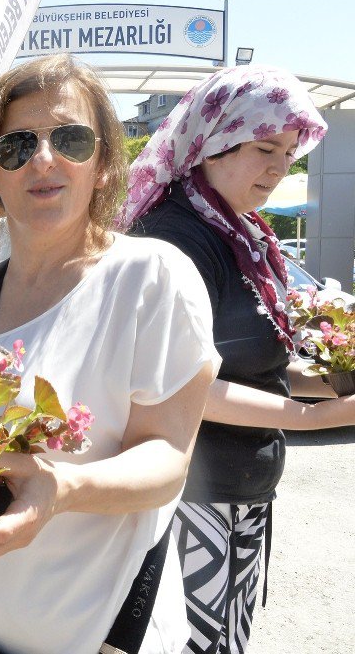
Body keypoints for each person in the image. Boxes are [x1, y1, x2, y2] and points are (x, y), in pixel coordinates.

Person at [0, 54, 220, 653]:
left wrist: (62, 489)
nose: (42, 159)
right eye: (13, 146)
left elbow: (168, 459)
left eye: (70, 139)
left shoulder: (150, 278)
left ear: (104, 163)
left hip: (104, 635)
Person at [118, 65, 350, 654]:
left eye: (291, 153)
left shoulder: (243, 233)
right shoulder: (175, 238)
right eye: (265, 148)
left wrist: (330, 383)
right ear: (212, 143)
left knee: (229, 642)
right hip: (191, 497)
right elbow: (177, 384)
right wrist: (310, 417)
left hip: (242, 491)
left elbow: (261, 366)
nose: (280, 168)